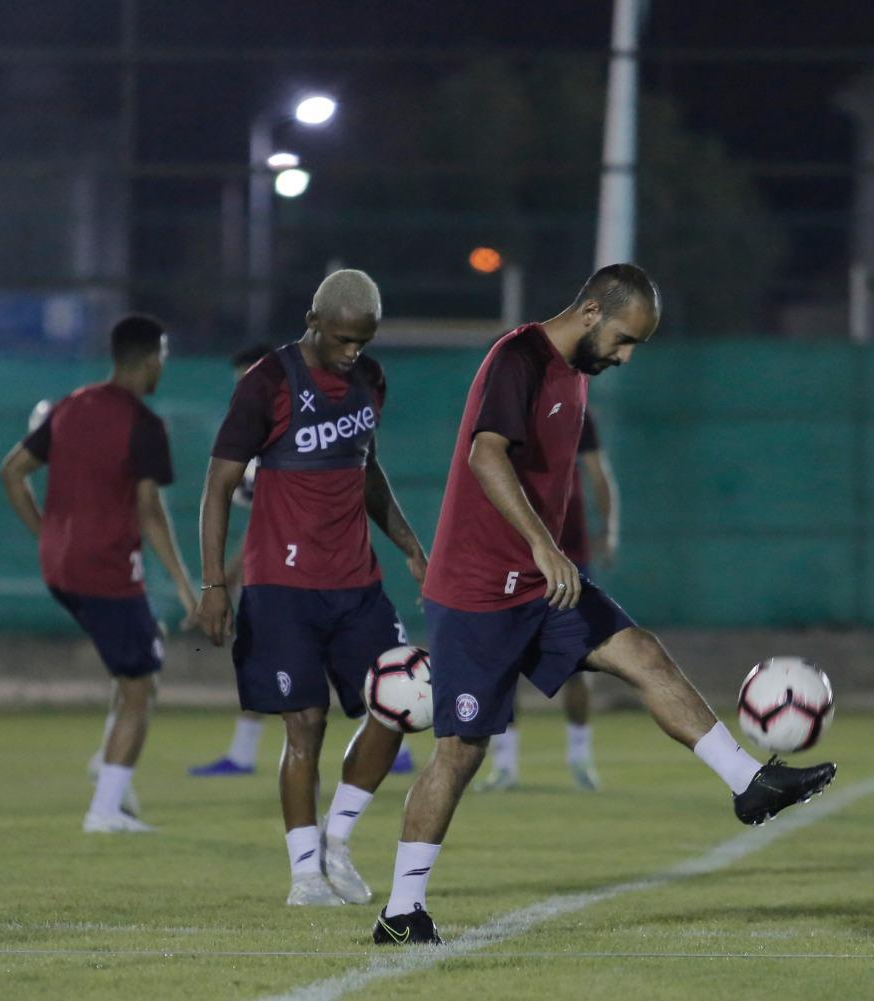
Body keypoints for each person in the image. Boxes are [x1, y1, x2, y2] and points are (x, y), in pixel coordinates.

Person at [371, 263, 836, 946]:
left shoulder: (576, 374)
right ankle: (401, 910)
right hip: (476, 591)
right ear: (591, 310)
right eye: (624, 340)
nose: (624, 356)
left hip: (541, 587)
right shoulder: (518, 357)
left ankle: (750, 783)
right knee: (460, 753)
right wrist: (542, 543)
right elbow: (485, 454)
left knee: (642, 651)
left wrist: (546, 557)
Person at [195, 270, 430, 905]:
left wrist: (411, 546)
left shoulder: (370, 381)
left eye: (365, 341)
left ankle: (338, 839)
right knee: (306, 724)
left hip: (356, 583)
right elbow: (217, 486)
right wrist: (215, 582)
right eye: (345, 339)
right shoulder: (267, 383)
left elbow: (366, 467)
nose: (354, 352)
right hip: (281, 587)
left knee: (403, 702)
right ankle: (304, 875)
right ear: (314, 321)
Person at [0, 314, 198, 833]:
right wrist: (183, 582)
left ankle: (105, 764)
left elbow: (12, 473)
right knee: (141, 687)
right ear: (153, 358)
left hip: (60, 568)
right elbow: (150, 511)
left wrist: (45, 533)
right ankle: (105, 808)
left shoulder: (70, 406)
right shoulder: (145, 425)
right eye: (163, 359)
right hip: (105, 569)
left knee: (139, 650)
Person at [187, 343, 416, 779]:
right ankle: (245, 755)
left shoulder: (301, 411)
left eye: (246, 377)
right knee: (298, 704)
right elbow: (266, 524)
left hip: (336, 577)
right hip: (285, 576)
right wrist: (219, 580)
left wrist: (223, 578)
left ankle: (382, 747)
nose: (242, 388)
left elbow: (366, 473)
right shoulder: (257, 442)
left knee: (359, 683)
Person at [475, 407, 619, 792]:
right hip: (512, 554)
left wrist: (609, 527)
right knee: (504, 659)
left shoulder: (576, 415)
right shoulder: (498, 417)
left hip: (569, 552)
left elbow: (597, 474)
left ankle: (580, 757)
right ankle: (504, 765)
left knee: (578, 659)